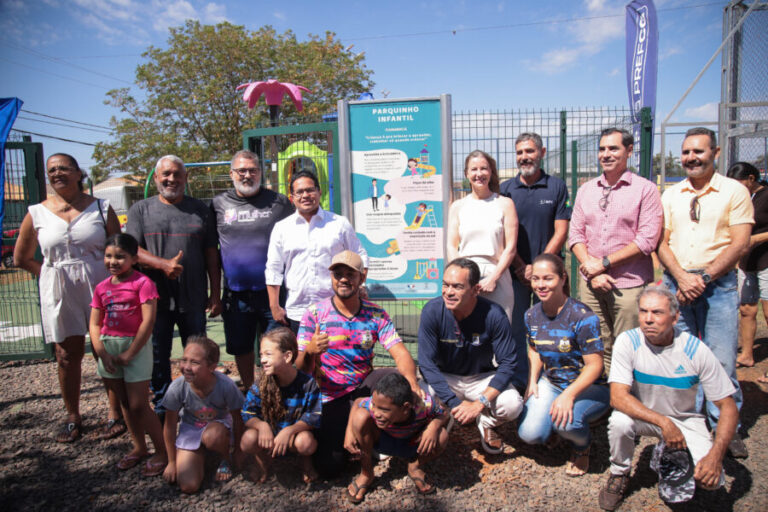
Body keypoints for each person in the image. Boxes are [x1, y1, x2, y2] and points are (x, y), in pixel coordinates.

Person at [14, 153, 124, 443]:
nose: (57, 173)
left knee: (106, 348)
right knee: (66, 354)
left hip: (100, 286)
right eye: (52, 170)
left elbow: (120, 247)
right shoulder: (36, 213)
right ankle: (73, 416)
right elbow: (21, 258)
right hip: (59, 289)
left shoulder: (101, 208)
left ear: (78, 173)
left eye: (64, 168)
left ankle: (115, 413)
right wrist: (50, 276)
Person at [657, 127, 753, 458]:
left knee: (721, 359)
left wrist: (705, 276)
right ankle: (686, 422)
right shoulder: (671, 194)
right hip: (677, 285)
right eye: (686, 152)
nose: (691, 158)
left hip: (719, 287)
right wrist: (683, 277)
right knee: (681, 360)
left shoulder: (734, 191)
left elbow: (740, 242)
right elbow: (660, 241)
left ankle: (727, 426)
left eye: (698, 151)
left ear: (715, 153)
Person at [598, 286, 738, 510]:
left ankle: (666, 453)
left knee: (712, 481)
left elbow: (728, 406)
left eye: (657, 313)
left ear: (675, 317)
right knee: (619, 421)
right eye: (643, 312)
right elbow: (617, 397)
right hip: (646, 416)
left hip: (685, 420)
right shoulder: (628, 342)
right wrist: (664, 423)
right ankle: (619, 472)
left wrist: (716, 455)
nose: (648, 319)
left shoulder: (695, 350)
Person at [296, 250, 420, 478]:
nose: (344, 279)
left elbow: (401, 354)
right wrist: (310, 352)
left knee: (398, 380)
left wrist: (412, 384)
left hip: (362, 386)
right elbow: (300, 370)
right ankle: (352, 438)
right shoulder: (314, 314)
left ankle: (397, 441)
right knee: (330, 467)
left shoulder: (376, 314)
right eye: (338, 274)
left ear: (362, 277)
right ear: (331, 278)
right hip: (328, 395)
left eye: (350, 274)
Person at [126, 155, 221, 411]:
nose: (172, 179)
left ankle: (198, 401)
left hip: (194, 297)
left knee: (198, 355)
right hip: (153, 299)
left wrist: (215, 293)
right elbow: (131, 249)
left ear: (185, 178)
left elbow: (212, 253)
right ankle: (164, 405)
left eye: (177, 174)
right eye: (166, 174)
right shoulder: (140, 210)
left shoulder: (201, 209)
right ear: (156, 178)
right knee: (158, 355)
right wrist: (162, 265)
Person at [569, 127, 663, 374]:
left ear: (629, 151)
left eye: (613, 148)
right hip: (591, 283)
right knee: (596, 345)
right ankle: (605, 400)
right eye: (602, 149)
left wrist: (604, 263)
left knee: (629, 345)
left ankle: (628, 401)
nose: (606, 154)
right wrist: (593, 269)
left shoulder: (646, 190)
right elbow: (576, 235)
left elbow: (647, 240)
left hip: (629, 285)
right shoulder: (586, 190)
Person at [418, 257, 527, 455]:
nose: (449, 292)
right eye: (445, 285)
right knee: (419, 401)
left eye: (457, 287)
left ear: (475, 289)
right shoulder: (432, 311)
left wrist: (480, 404)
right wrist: (454, 403)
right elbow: (426, 364)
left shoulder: (494, 314)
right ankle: (447, 415)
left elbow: (508, 364)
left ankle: (485, 421)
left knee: (512, 404)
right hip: (446, 377)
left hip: (480, 378)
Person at [517, 254, 608, 477]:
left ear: (563, 279)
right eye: (536, 279)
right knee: (529, 434)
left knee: (567, 424)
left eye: (548, 278)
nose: (540, 285)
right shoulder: (531, 315)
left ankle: (582, 446)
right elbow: (534, 349)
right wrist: (533, 382)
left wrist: (568, 395)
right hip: (552, 382)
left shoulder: (582, 316)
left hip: (589, 387)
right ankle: (556, 425)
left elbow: (595, 366)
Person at [210, 150, 293, 391]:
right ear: (232, 174)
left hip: (273, 294)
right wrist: (215, 294)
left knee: (275, 348)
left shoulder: (279, 203)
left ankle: (273, 391)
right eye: (241, 171)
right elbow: (211, 251)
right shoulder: (218, 204)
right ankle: (250, 390)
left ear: (260, 173)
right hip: (235, 295)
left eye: (252, 170)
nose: (247, 175)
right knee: (242, 347)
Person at [88, 233, 167, 474]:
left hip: (135, 348)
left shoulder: (143, 284)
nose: (113, 261)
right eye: (109, 256)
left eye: (120, 257)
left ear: (134, 259)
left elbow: (148, 321)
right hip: (109, 349)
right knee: (123, 403)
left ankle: (163, 451)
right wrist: (102, 352)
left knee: (139, 404)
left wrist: (130, 353)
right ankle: (139, 447)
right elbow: (94, 324)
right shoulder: (102, 287)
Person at [265, 170, 367, 333]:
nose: (305, 195)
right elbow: (273, 268)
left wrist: (360, 286)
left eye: (310, 190)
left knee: (336, 358)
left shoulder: (339, 224)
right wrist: (274, 305)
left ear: (319, 192)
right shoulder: (282, 228)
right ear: (292, 197)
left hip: (336, 309)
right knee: (301, 359)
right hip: (297, 312)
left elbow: (360, 256)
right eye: (299, 192)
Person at [499, 133, 570, 344]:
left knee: (554, 328)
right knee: (516, 330)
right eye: (519, 152)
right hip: (515, 274)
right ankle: (521, 377)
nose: (524, 156)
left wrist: (539, 269)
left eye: (530, 151)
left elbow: (561, 231)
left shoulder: (557, 187)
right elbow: (502, 234)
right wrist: (521, 267)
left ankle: (553, 375)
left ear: (542, 152)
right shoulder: (505, 190)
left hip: (549, 274)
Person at [343, 372, 450, 504]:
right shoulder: (376, 403)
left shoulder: (424, 405)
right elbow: (358, 402)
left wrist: (433, 427)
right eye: (374, 406)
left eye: (384, 410)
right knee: (359, 418)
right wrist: (349, 431)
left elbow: (444, 413)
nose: (376, 413)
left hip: (412, 442)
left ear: (405, 407)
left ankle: (415, 467)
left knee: (442, 435)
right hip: (383, 440)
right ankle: (366, 472)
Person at [161, 336, 245, 492]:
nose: (186, 367)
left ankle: (225, 457)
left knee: (212, 437)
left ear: (212, 366)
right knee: (188, 486)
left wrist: (239, 451)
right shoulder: (178, 386)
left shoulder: (225, 385)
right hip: (191, 429)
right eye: (184, 360)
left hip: (218, 427)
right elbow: (169, 425)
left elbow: (238, 419)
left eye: (195, 362)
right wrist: (171, 461)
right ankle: (197, 454)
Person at [240, 327, 321, 484]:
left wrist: (290, 430)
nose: (262, 359)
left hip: (293, 437)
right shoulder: (260, 384)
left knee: (306, 442)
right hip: (268, 436)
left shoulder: (307, 384)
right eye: (261, 354)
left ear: (287, 356)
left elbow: (313, 417)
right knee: (248, 439)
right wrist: (261, 426)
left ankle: (305, 462)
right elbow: (247, 413)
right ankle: (262, 461)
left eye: (268, 354)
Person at [447, 150, 518, 323]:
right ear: (466, 173)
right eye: (474, 169)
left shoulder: (505, 204)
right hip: (466, 278)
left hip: (497, 276)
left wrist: (493, 279)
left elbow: (510, 248)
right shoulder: (458, 206)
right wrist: (462, 279)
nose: (479, 174)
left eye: (484, 169)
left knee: (499, 334)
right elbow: (451, 245)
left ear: (491, 171)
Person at [725, 162, 768, 373]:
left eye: (739, 182)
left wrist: (754, 239)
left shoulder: (766, 196)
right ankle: (747, 355)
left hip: (766, 260)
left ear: (752, 178)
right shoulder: (739, 199)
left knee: (767, 312)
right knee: (746, 309)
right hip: (746, 262)